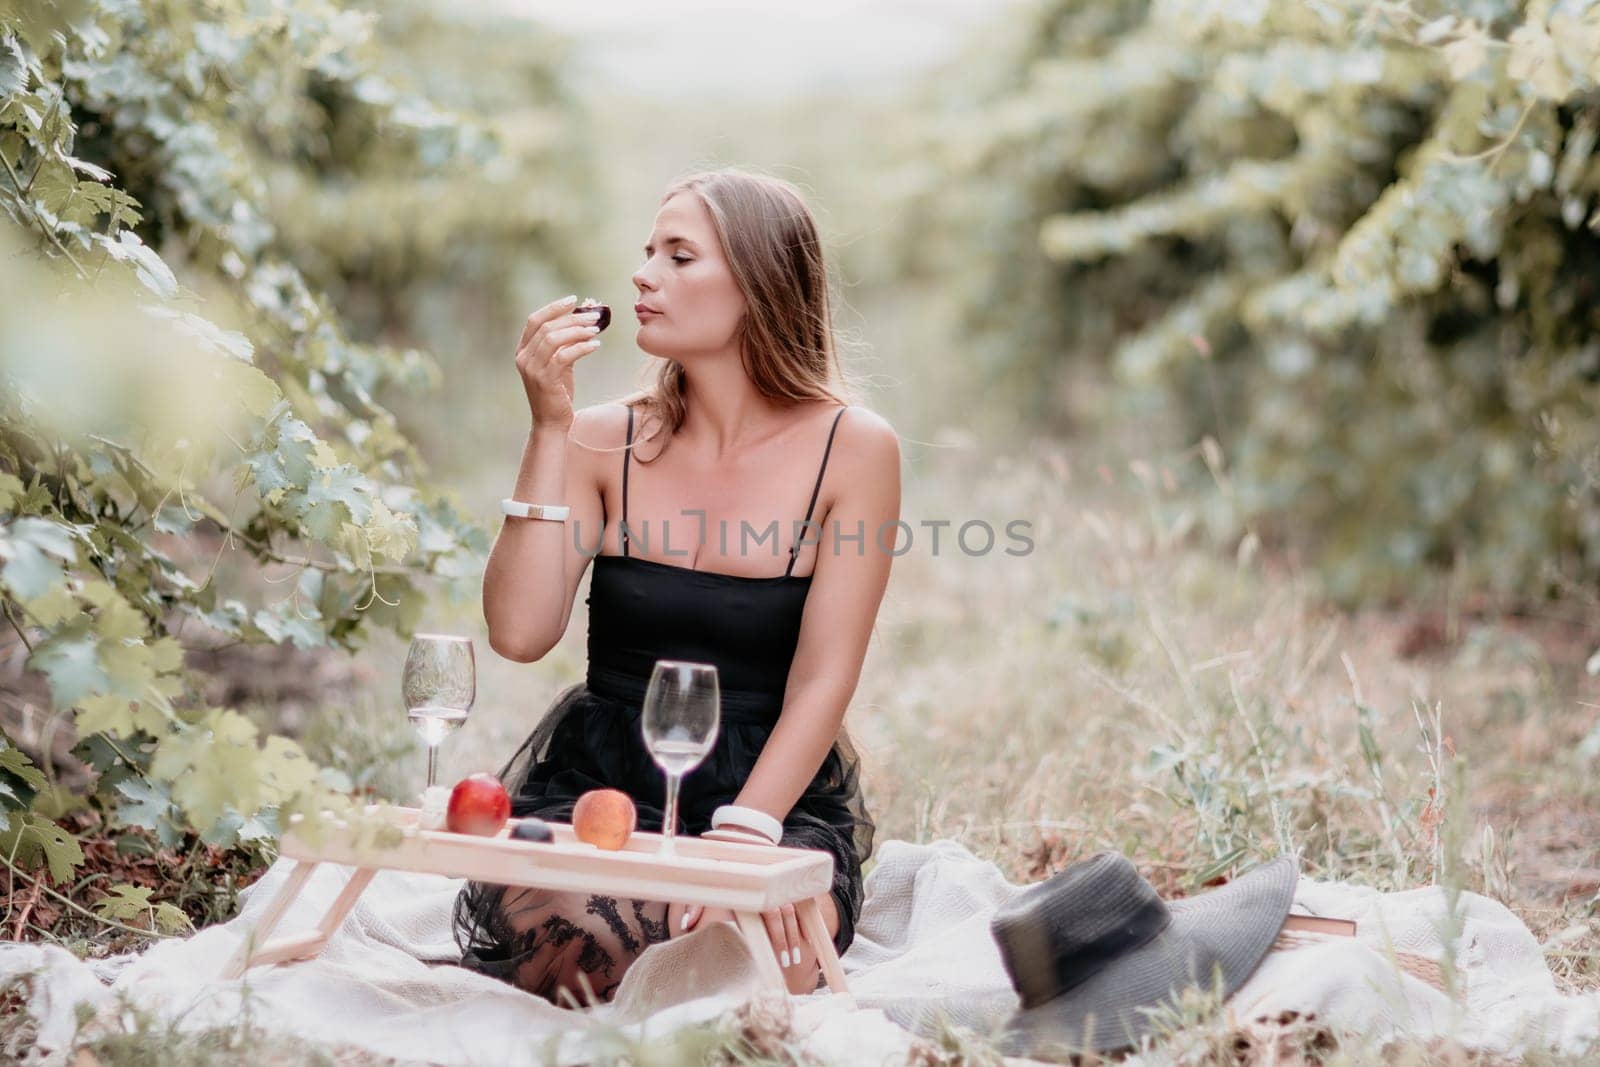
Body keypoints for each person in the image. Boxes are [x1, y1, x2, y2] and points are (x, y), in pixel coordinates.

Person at [452, 168, 902, 1006]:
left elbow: (823, 678)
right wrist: (548, 427)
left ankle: (702, 949)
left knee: (759, 948)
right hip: (602, 789)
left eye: (679, 255)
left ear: (760, 284)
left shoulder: (855, 448)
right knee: (569, 935)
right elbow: (519, 631)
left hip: (766, 787)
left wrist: (744, 837)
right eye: (648, 250)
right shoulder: (598, 439)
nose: (643, 275)